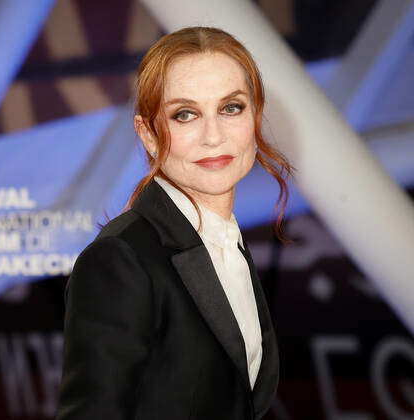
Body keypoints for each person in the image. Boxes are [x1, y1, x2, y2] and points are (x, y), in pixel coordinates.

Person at [55, 26, 294, 420]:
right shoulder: (121, 259)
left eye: (231, 108)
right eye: (185, 115)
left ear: (256, 116)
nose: (213, 136)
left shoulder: (225, 241)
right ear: (148, 133)